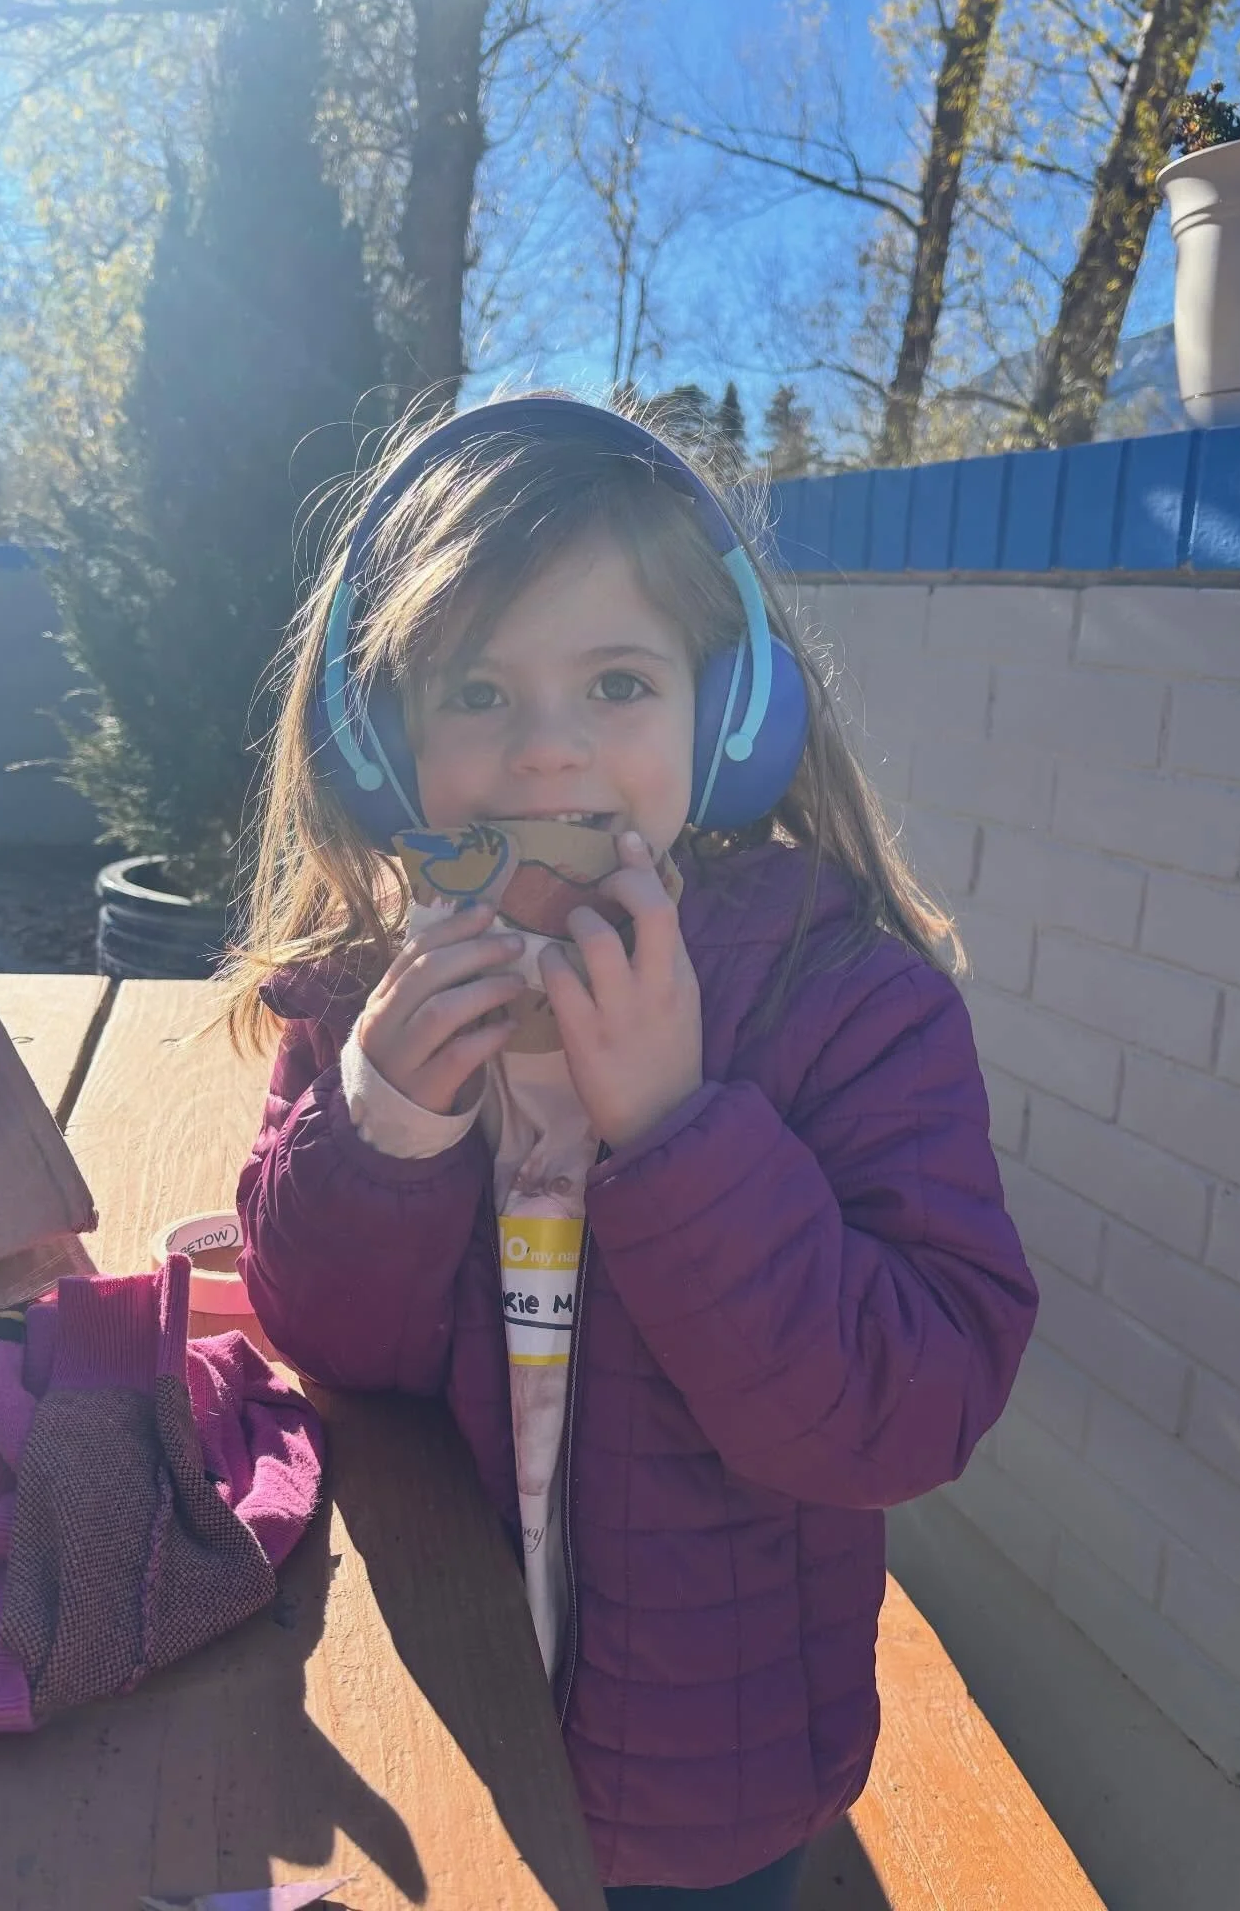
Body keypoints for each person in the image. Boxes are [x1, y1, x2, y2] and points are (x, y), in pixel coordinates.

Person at [222, 392, 1037, 1908]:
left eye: (615, 681)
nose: (547, 751)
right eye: (476, 691)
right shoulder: (361, 998)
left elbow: (908, 1410)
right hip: (439, 1730)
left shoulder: (842, 1003)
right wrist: (385, 1120)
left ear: (724, 719)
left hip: (712, 1798)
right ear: (382, 743)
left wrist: (679, 1132)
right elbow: (332, 1345)